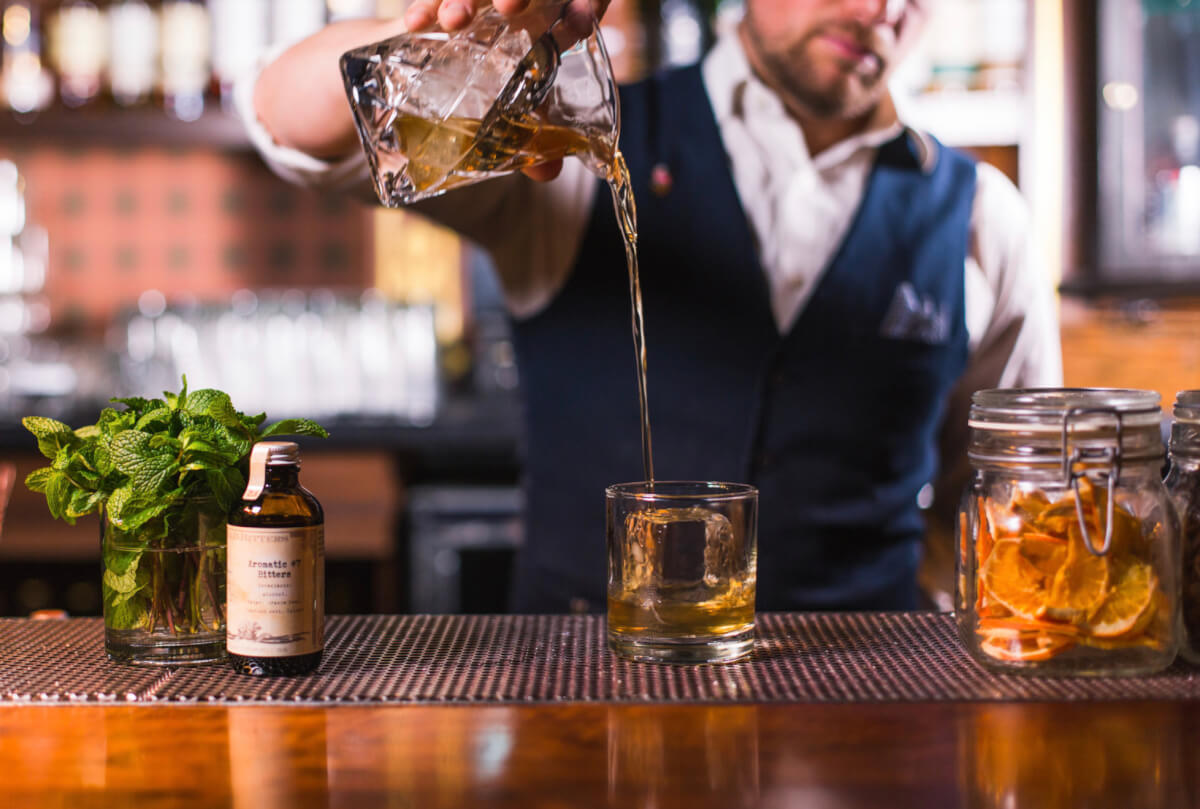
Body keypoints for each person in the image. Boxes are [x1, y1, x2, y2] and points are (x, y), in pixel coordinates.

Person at [240, 0, 1062, 612]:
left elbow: (1015, 499)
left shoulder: (985, 217)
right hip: (580, 712)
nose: (882, 10)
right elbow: (288, 120)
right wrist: (453, 30)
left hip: (861, 724)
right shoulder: (577, 142)